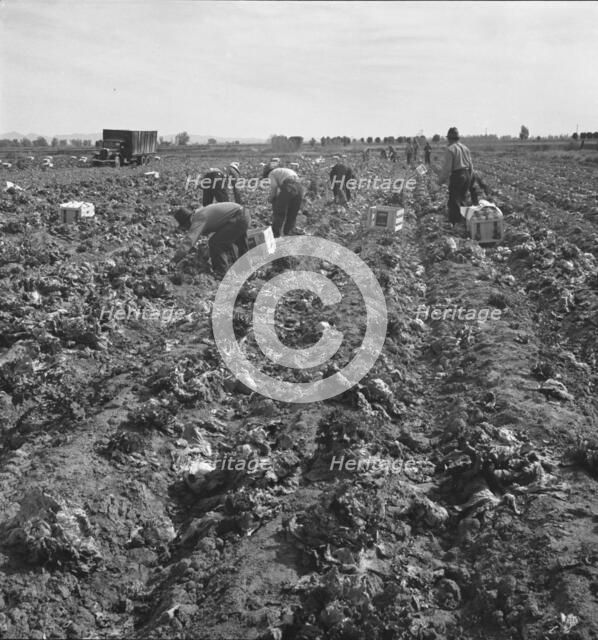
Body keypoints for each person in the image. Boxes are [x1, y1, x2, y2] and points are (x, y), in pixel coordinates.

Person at [171, 202, 250, 276]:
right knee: (241, 244)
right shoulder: (201, 212)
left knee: (215, 243)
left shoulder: (198, 219)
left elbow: (189, 241)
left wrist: (175, 260)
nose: (188, 229)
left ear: (187, 222)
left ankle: (221, 272)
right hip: (243, 213)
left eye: (186, 227)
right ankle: (248, 271)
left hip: (237, 218)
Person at [434, 127, 473, 225]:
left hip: (458, 175)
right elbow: (471, 166)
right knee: (462, 199)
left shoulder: (450, 149)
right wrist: (469, 178)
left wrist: (439, 182)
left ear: (449, 138)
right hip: (467, 174)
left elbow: (447, 169)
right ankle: (464, 222)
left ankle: (456, 225)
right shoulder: (465, 148)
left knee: (454, 201)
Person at [264, 165, 304, 237]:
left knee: (280, 211)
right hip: (299, 187)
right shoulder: (283, 170)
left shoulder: (271, 174)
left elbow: (274, 187)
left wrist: (271, 198)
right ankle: (288, 233)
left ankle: (275, 234)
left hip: (289, 186)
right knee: (292, 212)